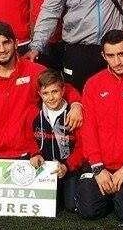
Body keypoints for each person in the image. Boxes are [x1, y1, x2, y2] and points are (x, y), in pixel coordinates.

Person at [0, 22, 82, 160]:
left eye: (6, 43)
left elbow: (64, 88)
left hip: (30, 156)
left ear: (16, 43)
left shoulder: (35, 72)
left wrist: (76, 105)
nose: (2, 49)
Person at [76, 30, 123, 223]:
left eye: (122, 54)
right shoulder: (93, 84)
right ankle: (108, 192)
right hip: (100, 164)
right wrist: (98, 168)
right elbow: (88, 129)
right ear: (103, 56)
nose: (117, 61)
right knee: (89, 211)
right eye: (111, 55)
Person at [29, 69, 84, 213]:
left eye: (54, 92)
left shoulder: (74, 115)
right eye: (45, 93)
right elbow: (28, 138)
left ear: (63, 90)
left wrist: (67, 166)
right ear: (40, 94)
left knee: (72, 205)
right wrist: (34, 154)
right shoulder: (34, 113)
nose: (51, 98)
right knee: (43, 205)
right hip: (45, 169)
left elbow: (82, 147)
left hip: (69, 169)